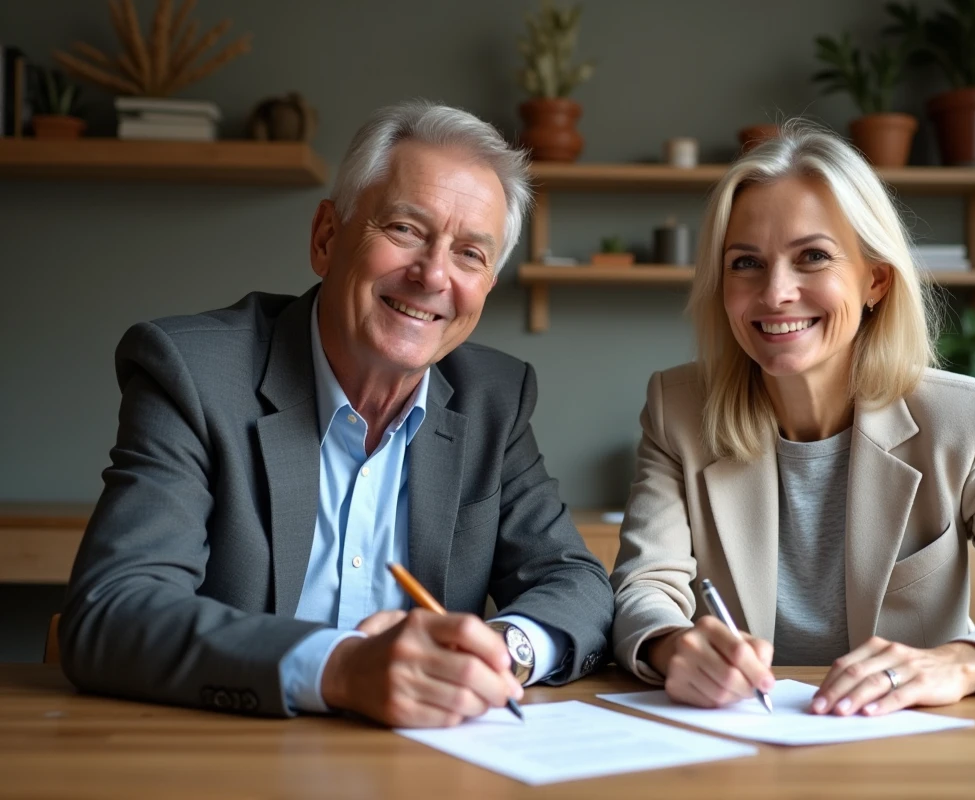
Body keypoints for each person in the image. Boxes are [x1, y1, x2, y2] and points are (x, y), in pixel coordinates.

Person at [60, 102, 613, 728]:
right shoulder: (193, 373)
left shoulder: (492, 398)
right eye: (405, 229)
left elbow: (575, 583)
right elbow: (113, 611)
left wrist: (503, 651)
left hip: (430, 759)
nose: (433, 275)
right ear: (327, 238)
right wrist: (344, 668)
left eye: (469, 254)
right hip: (231, 754)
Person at [610, 119, 975, 716]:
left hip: (910, 742)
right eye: (745, 263)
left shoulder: (957, 419)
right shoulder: (678, 410)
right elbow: (642, 589)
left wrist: (960, 663)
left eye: (813, 256)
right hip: (743, 735)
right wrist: (672, 646)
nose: (776, 292)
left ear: (876, 281)